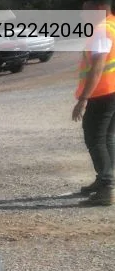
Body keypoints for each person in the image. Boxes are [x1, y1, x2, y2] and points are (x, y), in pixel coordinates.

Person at [73, 0, 115, 205]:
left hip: (103, 93)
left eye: (86, 10)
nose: (83, 15)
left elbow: (97, 68)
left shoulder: (100, 30)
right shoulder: (112, 24)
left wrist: (83, 99)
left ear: (99, 9)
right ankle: (104, 181)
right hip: (112, 91)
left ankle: (106, 188)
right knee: (107, 137)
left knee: (95, 137)